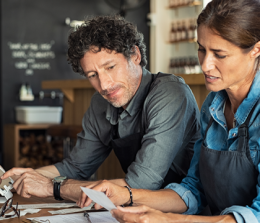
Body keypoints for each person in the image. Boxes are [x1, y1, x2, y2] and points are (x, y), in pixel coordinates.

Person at [78, 0, 260, 223]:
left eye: (220, 54)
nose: (205, 64)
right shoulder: (212, 106)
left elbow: (257, 220)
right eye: (201, 49)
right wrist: (125, 195)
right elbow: (194, 189)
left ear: (256, 49)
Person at [1, 15, 200, 202]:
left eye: (110, 67)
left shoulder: (169, 93)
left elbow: (141, 184)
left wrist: (52, 187)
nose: (104, 85)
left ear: (135, 55)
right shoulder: (100, 103)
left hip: (187, 214)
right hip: (139, 212)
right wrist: (26, 177)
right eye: (92, 75)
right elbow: (75, 167)